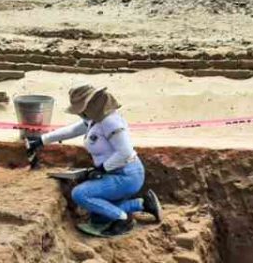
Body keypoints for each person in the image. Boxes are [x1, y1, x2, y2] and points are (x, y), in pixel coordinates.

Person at [28, 84, 162, 236]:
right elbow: (72, 130)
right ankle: (143, 204)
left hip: (126, 175)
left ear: (92, 105)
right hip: (115, 173)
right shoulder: (95, 120)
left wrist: (101, 169)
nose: (80, 114)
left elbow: (125, 153)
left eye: (81, 109)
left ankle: (123, 220)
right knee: (98, 215)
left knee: (80, 194)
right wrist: (41, 140)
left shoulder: (111, 122)